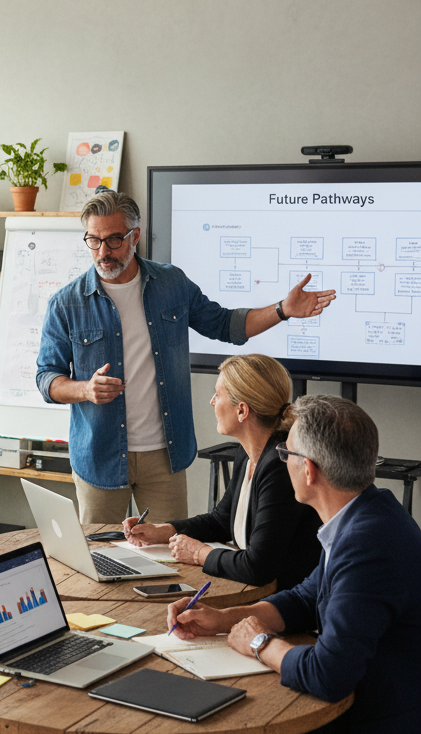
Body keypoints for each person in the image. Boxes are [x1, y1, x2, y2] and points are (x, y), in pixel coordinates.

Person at [167, 395, 421, 734]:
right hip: (374, 718)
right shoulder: (363, 511)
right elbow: (306, 596)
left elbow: (329, 675)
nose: (282, 459)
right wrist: (223, 617)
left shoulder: (368, 542)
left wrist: (259, 645)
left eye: (287, 451)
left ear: (309, 469)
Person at [35, 189, 336, 524]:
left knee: (168, 559)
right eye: (94, 240)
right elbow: (47, 377)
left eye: (114, 239)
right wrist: (84, 390)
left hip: (165, 456)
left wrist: (283, 310)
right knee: (99, 562)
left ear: (135, 236)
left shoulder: (171, 284)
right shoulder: (66, 303)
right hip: (99, 457)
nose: (103, 251)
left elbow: (226, 325)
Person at [123, 353, 322, 734]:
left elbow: (258, 561)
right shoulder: (252, 456)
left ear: (243, 410)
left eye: (218, 394)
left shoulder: (277, 463)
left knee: (191, 656)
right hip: (272, 602)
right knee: (188, 641)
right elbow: (221, 520)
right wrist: (165, 530)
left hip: (294, 617)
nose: (210, 401)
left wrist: (196, 555)